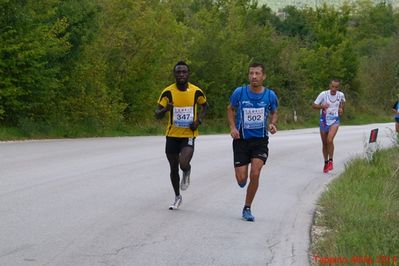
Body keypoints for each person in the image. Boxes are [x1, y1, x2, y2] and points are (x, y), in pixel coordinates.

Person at [227, 62, 278, 222]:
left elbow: (274, 111)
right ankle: (242, 178)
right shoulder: (239, 92)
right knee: (242, 180)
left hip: (260, 141)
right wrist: (233, 127)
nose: (254, 76)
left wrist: (272, 124)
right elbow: (230, 109)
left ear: (263, 76)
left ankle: (247, 207)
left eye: (257, 73)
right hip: (241, 140)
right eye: (251, 73)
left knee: (255, 174)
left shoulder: (270, 95)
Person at [155, 61, 208, 210]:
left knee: (183, 163)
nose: (181, 75)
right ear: (174, 74)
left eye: (184, 72)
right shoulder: (167, 92)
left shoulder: (196, 91)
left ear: (188, 74)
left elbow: (205, 106)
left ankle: (187, 170)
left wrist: (199, 120)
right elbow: (157, 114)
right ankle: (177, 196)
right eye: (178, 72)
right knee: (173, 167)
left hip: (188, 134)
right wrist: (166, 109)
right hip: (172, 135)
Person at [312, 79, 346, 173]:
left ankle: (331, 160)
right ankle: (326, 162)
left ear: (338, 87)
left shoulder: (341, 95)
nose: (334, 89)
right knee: (324, 143)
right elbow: (314, 105)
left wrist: (341, 109)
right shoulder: (323, 94)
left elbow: (343, 102)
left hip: (334, 121)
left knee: (329, 140)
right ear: (330, 86)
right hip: (323, 121)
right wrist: (322, 106)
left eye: (336, 87)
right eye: (332, 86)